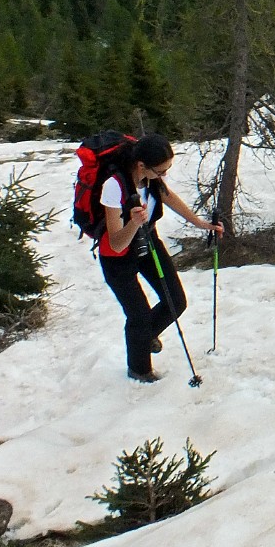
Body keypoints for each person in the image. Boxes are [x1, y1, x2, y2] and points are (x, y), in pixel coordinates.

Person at [98, 133, 223, 383]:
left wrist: (199, 223)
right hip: (117, 256)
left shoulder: (151, 180)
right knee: (139, 315)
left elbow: (169, 197)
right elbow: (116, 241)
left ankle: (143, 338)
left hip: (148, 243)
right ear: (142, 165)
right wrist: (134, 222)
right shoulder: (114, 185)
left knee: (176, 301)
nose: (164, 174)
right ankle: (140, 371)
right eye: (161, 170)